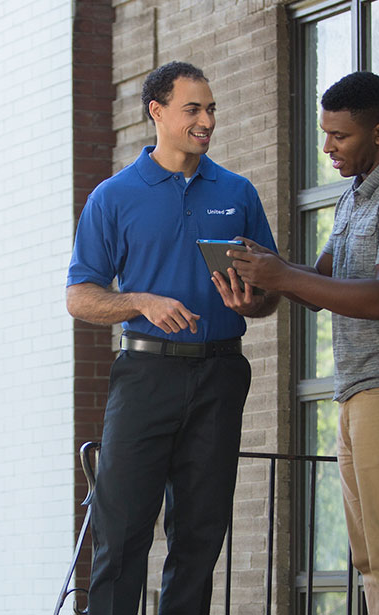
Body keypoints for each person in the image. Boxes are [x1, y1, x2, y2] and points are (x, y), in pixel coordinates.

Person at [229, 71, 379, 614]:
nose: (327, 147)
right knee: (370, 556)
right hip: (359, 391)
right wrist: (264, 274)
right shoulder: (356, 197)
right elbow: (321, 286)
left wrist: (283, 276)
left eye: (340, 136)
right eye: (325, 133)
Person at [66, 61, 281, 615]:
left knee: (200, 536)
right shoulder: (114, 196)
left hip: (220, 374)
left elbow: (272, 289)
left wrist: (252, 301)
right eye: (194, 109)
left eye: (211, 109)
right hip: (145, 376)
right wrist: (140, 300)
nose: (207, 120)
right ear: (156, 111)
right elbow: (79, 295)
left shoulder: (238, 192)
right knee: (122, 531)